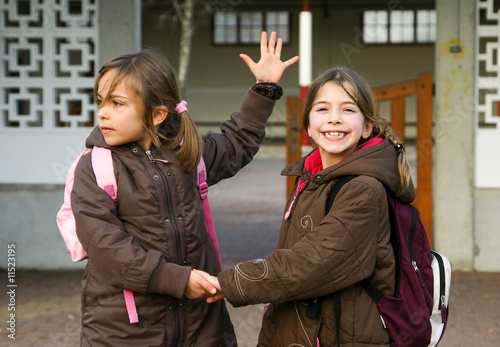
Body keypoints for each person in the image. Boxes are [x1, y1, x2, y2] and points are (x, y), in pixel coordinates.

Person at [70, 31, 298, 346]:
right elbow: (110, 251)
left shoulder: (184, 153)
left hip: (199, 325)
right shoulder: (94, 168)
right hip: (126, 330)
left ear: (157, 114)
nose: (102, 112)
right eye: (100, 101)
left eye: (116, 103)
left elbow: (234, 145)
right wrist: (179, 280)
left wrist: (264, 90)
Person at [203, 67, 415, 346]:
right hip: (305, 328)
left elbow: (310, 263)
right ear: (308, 126)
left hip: (341, 335)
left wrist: (230, 282)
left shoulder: (363, 189)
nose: (334, 119)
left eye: (348, 110)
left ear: (367, 126)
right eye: (322, 109)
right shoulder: (311, 177)